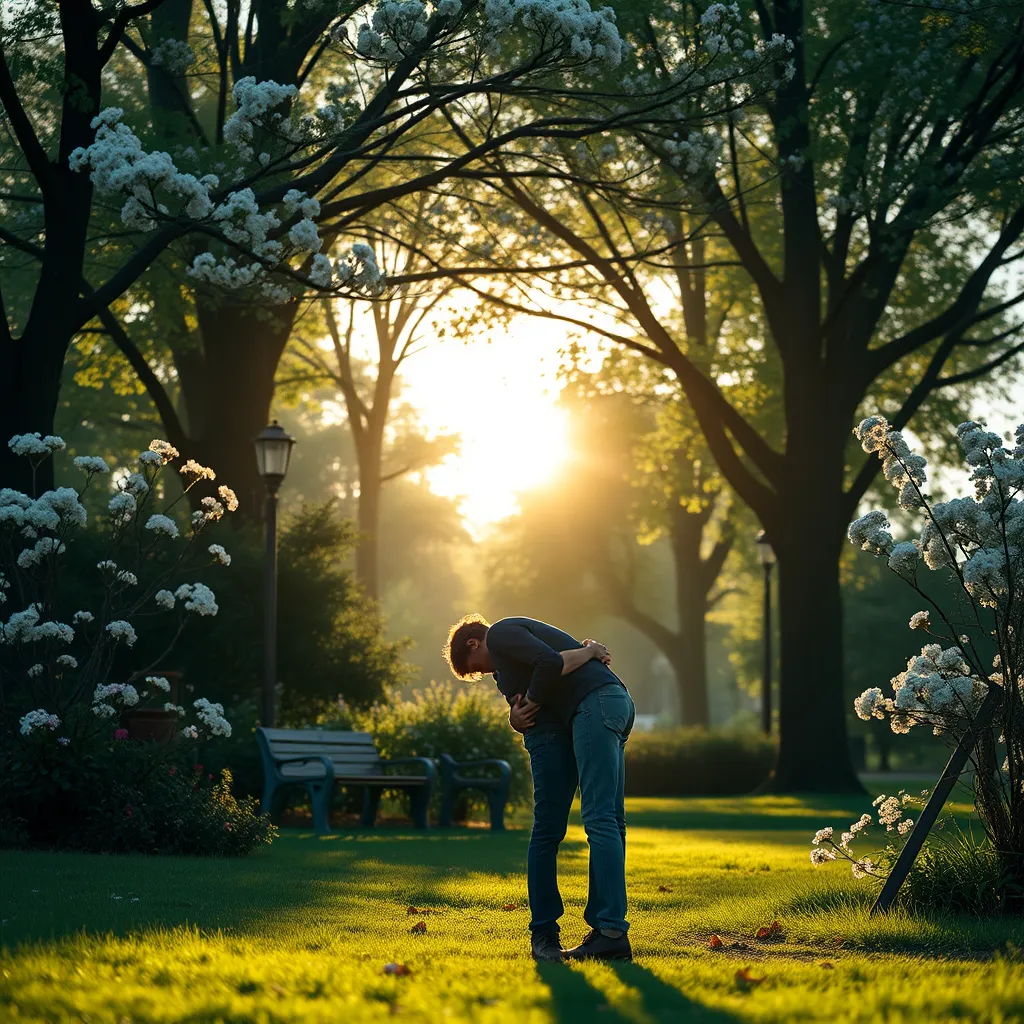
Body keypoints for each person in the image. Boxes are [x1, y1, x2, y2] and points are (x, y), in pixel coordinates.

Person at [443, 614, 635, 962]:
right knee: (610, 820)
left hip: (593, 703)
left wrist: (529, 701)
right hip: (612, 701)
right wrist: (517, 715)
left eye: (477, 668)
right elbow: (551, 668)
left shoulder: (500, 634)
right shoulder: (506, 668)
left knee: (599, 820)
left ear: (473, 643)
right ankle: (608, 931)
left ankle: (606, 932)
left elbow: (549, 662)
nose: (485, 674)